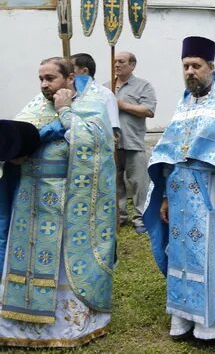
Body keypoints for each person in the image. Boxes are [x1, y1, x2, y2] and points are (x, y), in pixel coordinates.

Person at [142, 36, 215, 340]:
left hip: (212, 192)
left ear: (211, 67)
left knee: (210, 255)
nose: (190, 71)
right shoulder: (185, 104)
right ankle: (183, 317)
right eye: (186, 66)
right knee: (180, 253)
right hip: (179, 196)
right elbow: (170, 154)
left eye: (196, 65)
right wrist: (165, 196)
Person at [0, 57, 116, 348]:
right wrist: (13, 156)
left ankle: (65, 326)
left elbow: (94, 145)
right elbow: (13, 139)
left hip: (65, 200)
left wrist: (65, 111)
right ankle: (18, 324)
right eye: (40, 78)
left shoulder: (91, 105)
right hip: (28, 200)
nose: (44, 85)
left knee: (61, 262)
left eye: (50, 78)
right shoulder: (34, 106)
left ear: (69, 79)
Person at [111, 51, 156, 233]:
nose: (116, 65)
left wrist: (124, 106)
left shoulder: (143, 86)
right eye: (115, 61)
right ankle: (119, 216)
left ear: (132, 65)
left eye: (121, 61)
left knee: (138, 182)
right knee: (115, 182)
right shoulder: (108, 86)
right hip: (112, 143)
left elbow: (149, 110)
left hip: (133, 140)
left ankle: (140, 218)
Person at [71, 53, 121, 136]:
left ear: (84, 71)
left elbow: (113, 126)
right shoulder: (70, 92)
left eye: (71, 69)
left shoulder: (104, 93)